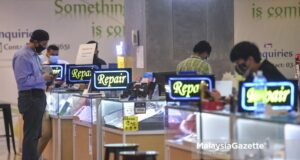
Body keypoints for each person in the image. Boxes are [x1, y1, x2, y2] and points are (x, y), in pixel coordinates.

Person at [12, 29, 53, 160]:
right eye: (43, 43)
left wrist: (47, 78)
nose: (45, 46)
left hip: (38, 97)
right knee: (31, 135)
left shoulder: (35, 56)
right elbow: (22, 81)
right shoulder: (22, 56)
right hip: (30, 98)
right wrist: (43, 78)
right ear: (35, 42)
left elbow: (35, 76)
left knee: (35, 134)